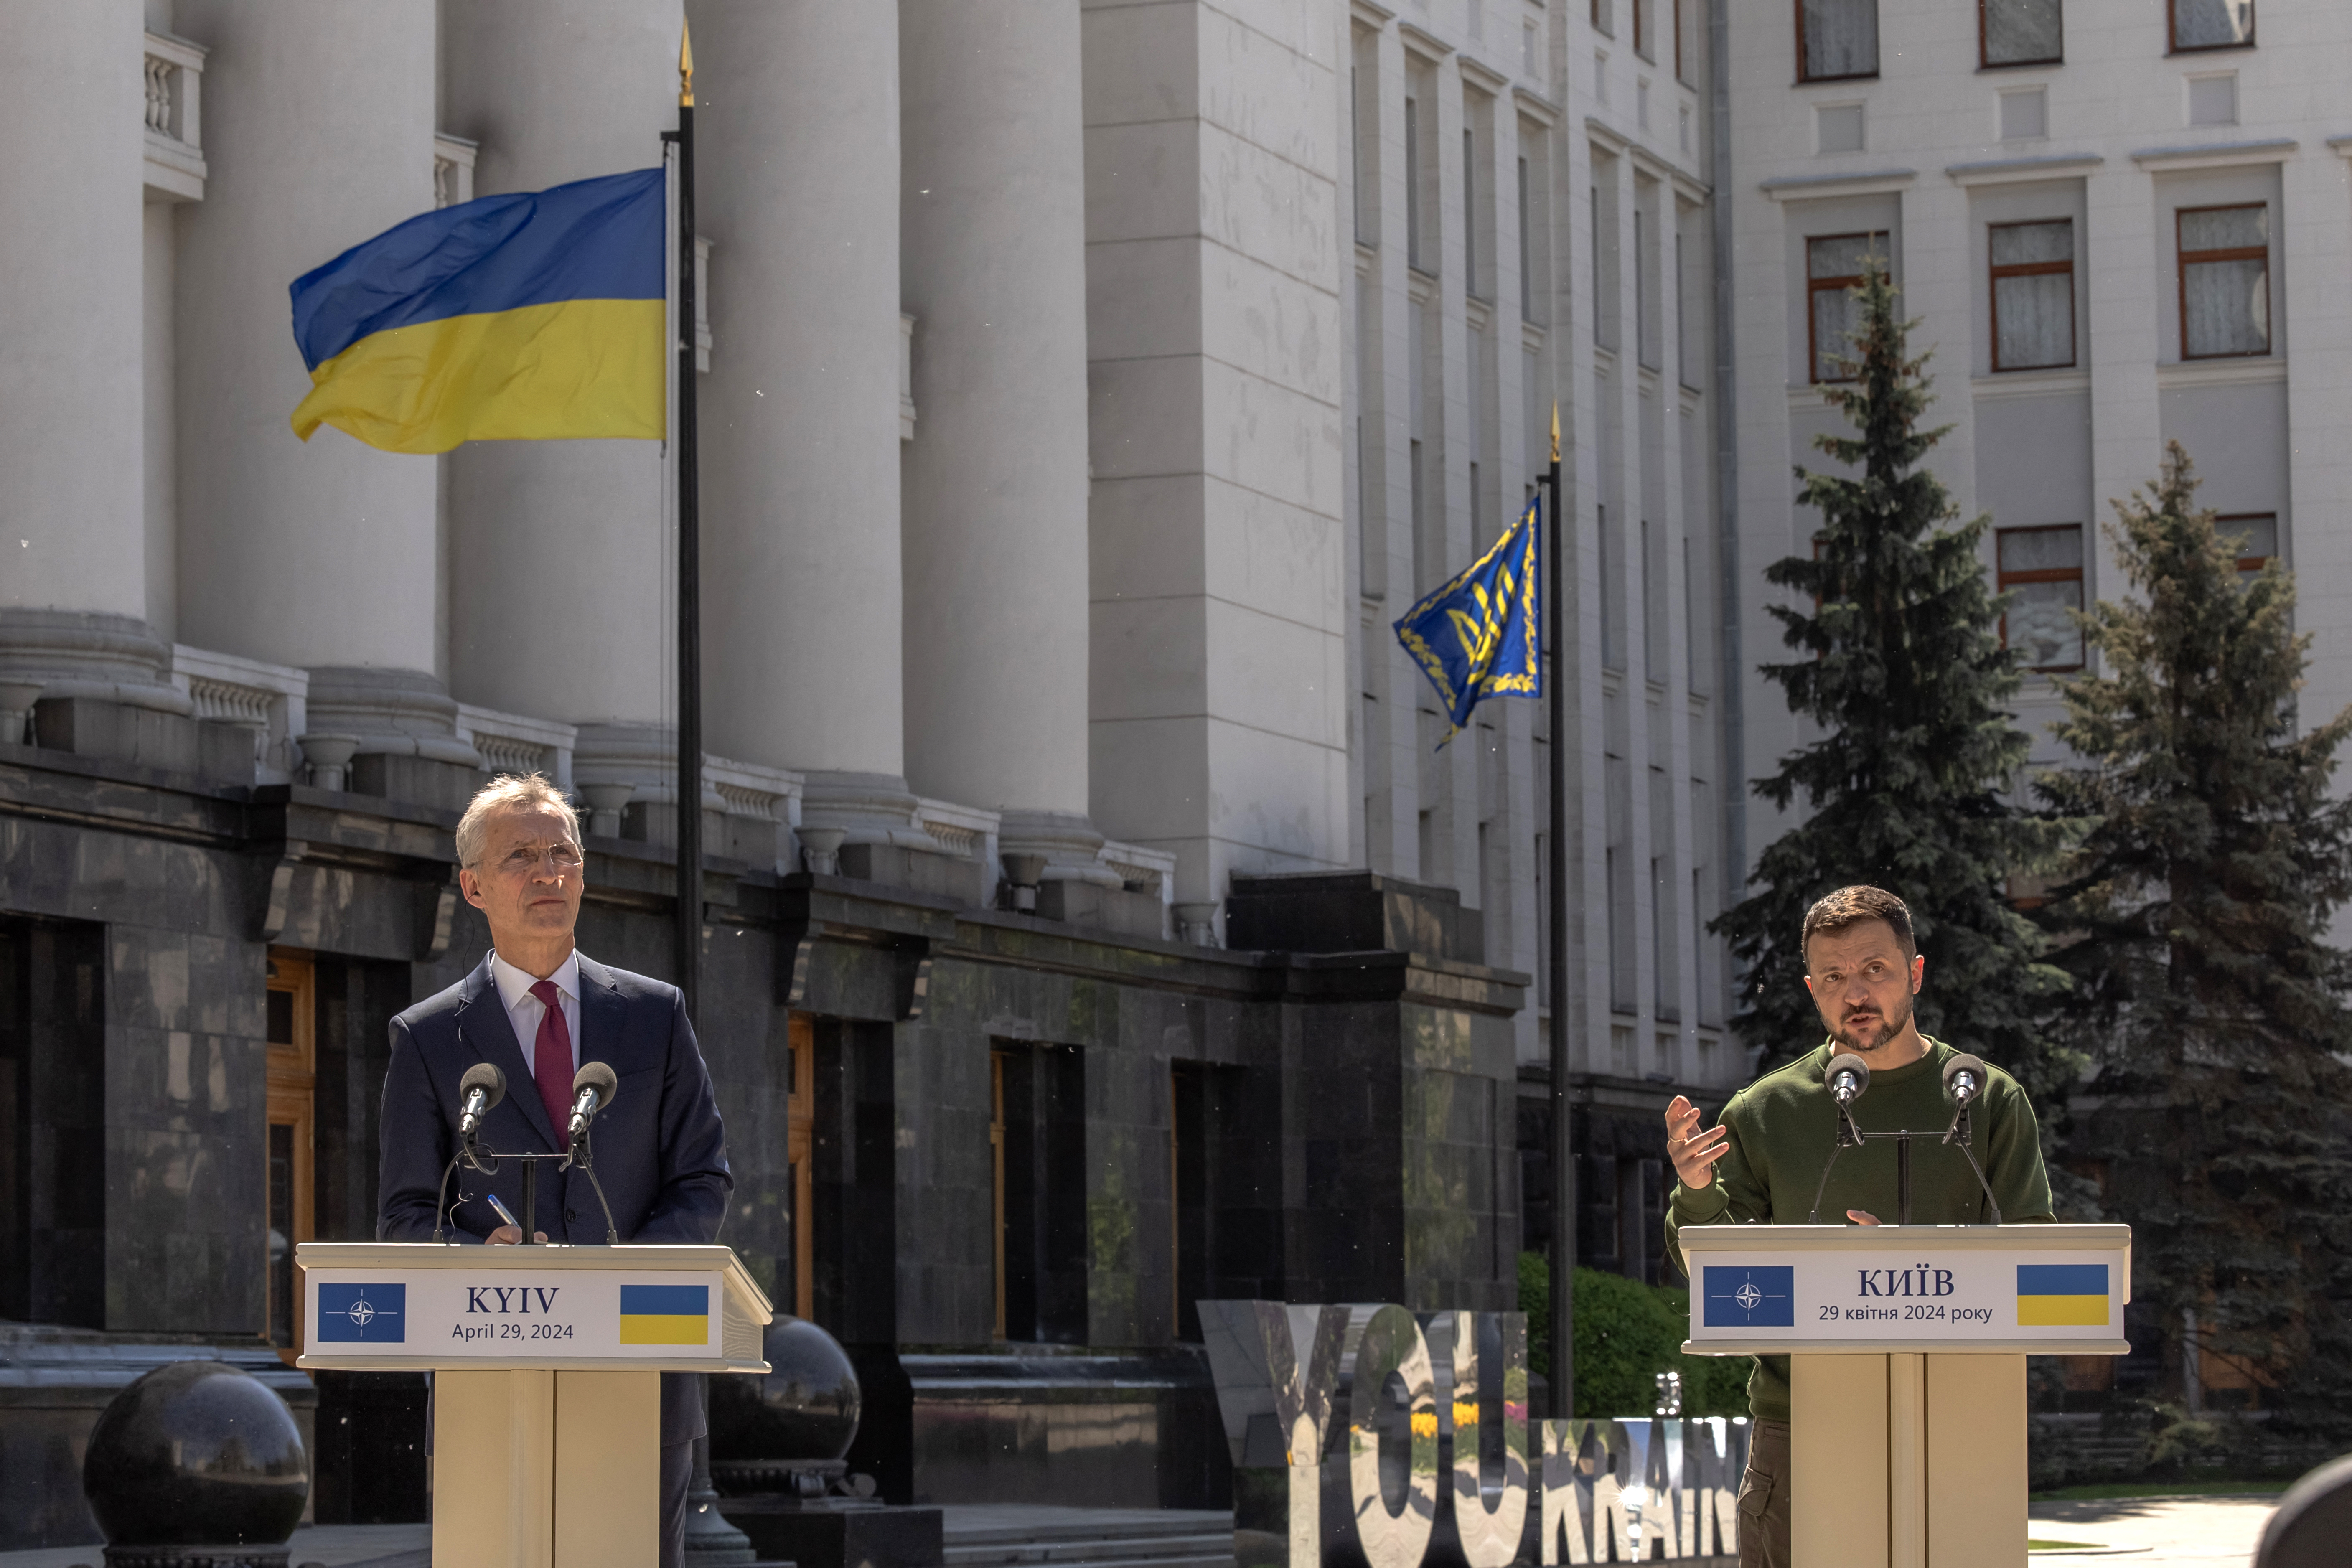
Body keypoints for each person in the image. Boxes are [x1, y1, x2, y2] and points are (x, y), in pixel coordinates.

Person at [377, 773, 732, 1568]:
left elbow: (703, 1178)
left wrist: (618, 1281)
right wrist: (477, 1258)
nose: (548, 873)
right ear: (472, 886)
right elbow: (405, 1215)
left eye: (562, 853)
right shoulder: (429, 1038)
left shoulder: (653, 1016)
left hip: (640, 1374)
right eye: (520, 858)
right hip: (490, 1376)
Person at [1660, 885, 2053, 1568]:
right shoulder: (1764, 1111)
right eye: (1835, 977)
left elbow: (2041, 1273)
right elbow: (1713, 1276)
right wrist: (1695, 1194)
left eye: (1874, 969)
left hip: (1955, 1427)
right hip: (1801, 1429)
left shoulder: (1985, 1097)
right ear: (1813, 989)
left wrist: (1910, 1256)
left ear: (1915, 973)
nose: (1855, 993)